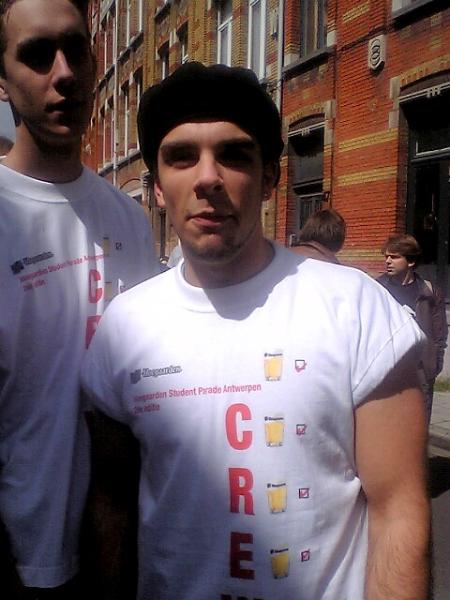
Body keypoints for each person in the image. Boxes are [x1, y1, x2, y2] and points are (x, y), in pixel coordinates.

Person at [82, 62, 430, 600]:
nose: (207, 178)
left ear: (270, 177)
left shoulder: (355, 308)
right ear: (157, 190)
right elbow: (113, 507)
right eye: (181, 156)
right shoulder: (123, 328)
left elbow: (398, 511)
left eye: (233, 154)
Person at [0, 0, 159, 597]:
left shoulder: (130, 221)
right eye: (37, 55)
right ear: (2, 80)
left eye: (76, 50)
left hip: (125, 548)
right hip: (23, 557)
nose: (64, 73)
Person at [377, 234, 448, 422]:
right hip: (387, 368)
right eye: (386, 256)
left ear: (411, 261)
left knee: (418, 422)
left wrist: (434, 364)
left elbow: (439, 332)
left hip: (420, 369)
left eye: (394, 257)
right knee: (387, 424)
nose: (388, 261)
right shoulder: (377, 289)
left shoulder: (429, 291)